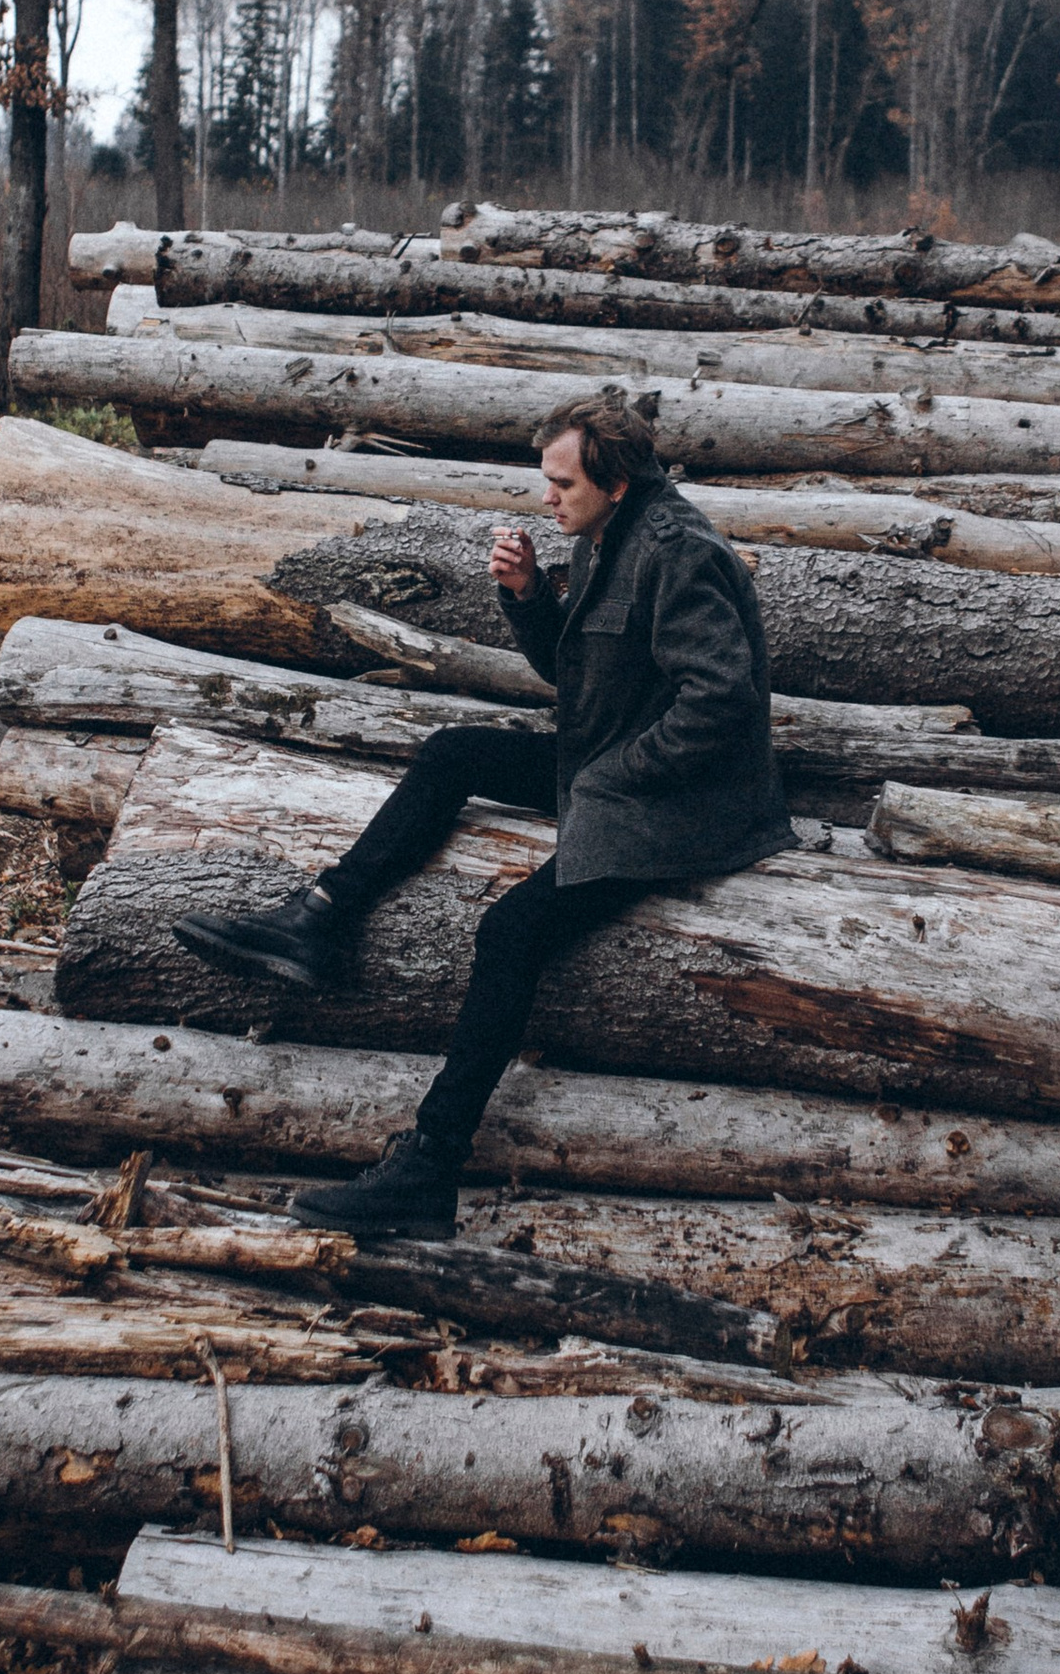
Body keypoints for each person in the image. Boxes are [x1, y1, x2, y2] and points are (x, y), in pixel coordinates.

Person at [167, 392, 794, 1233]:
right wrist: (531, 596)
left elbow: (718, 701)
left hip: (683, 807)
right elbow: (578, 676)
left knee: (509, 932)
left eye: (561, 483)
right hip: (606, 769)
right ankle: (317, 919)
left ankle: (428, 1168)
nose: (547, 498)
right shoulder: (616, 533)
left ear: (613, 481)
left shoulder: (678, 551)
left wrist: (617, 776)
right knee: (455, 752)